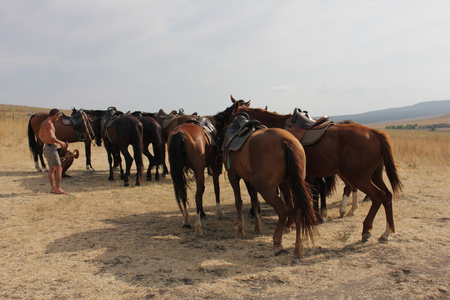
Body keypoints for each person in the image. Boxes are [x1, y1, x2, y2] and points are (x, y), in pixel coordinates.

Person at [38, 108, 69, 194]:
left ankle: (53, 188)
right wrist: (61, 143)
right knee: (59, 168)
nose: (57, 119)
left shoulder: (43, 123)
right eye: (58, 117)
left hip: (47, 148)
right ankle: (58, 188)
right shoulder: (49, 124)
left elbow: (40, 135)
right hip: (51, 149)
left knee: (51, 168)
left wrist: (46, 141)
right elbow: (52, 137)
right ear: (55, 115)